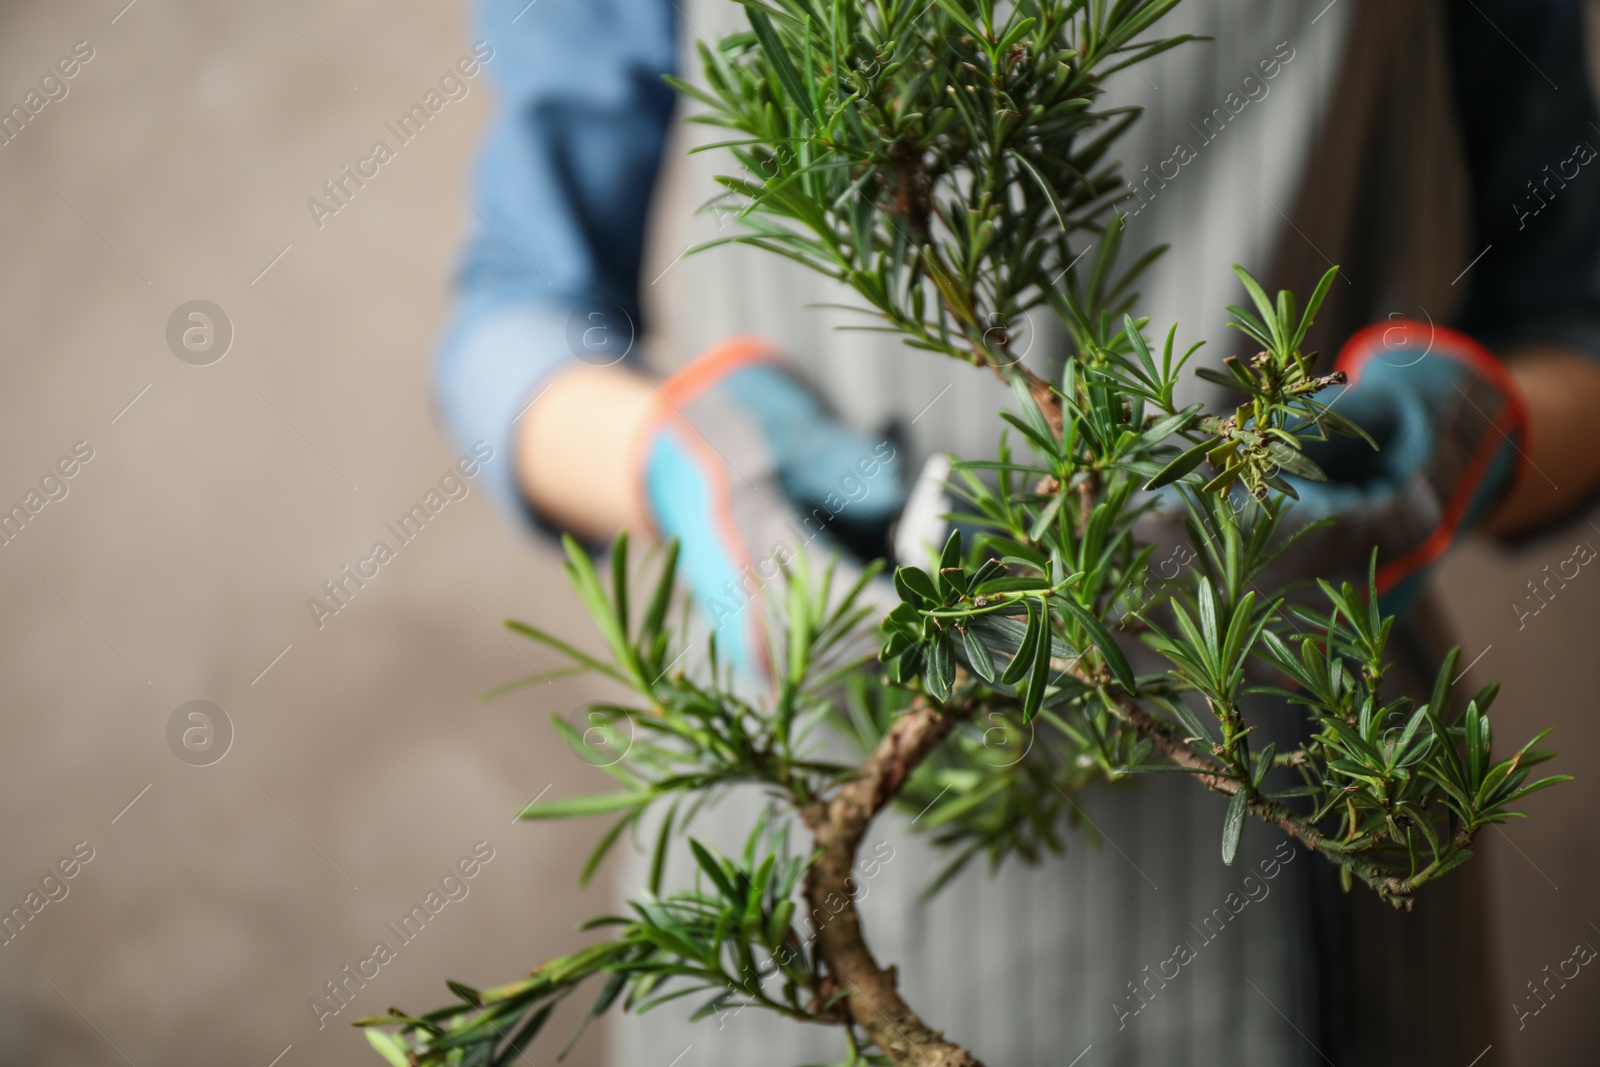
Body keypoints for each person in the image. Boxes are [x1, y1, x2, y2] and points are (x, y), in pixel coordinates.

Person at [432, 0, 1600, 1063]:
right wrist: (695, 466)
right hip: (804, 799)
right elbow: (513, 317)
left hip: (1302, 804)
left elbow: (1572, 315)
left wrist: (1454, 433)